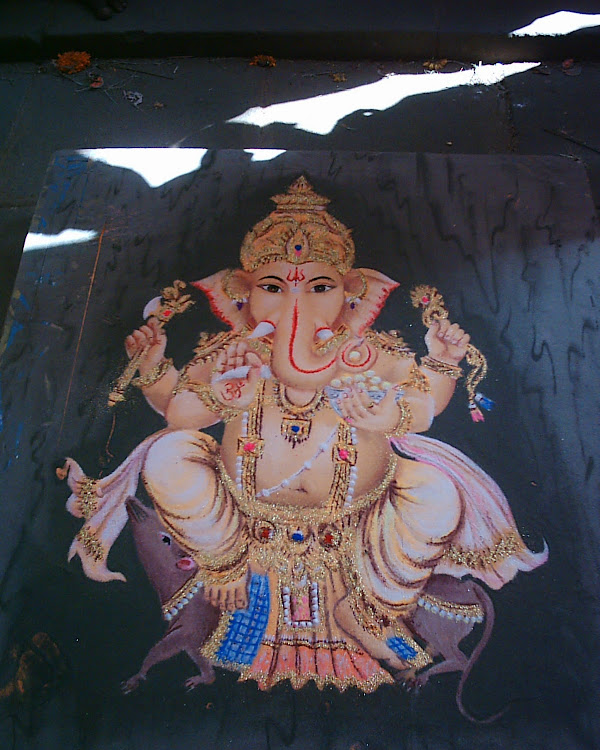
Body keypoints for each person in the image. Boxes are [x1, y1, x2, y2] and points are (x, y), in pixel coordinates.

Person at [62, 177, 547, 691]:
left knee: (437, 492)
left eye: (319, 288)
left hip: (358, 520)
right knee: (167, 454)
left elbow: (423, 406)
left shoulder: (366, 352)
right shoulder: (234, 350)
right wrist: (160, 370)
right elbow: (179, 412)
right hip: (244, 519)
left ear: (351, 292)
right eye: (274, 287)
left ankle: (373, 604)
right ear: (242, 292)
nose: (297, 301)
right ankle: (225, 566)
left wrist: (433, 370)